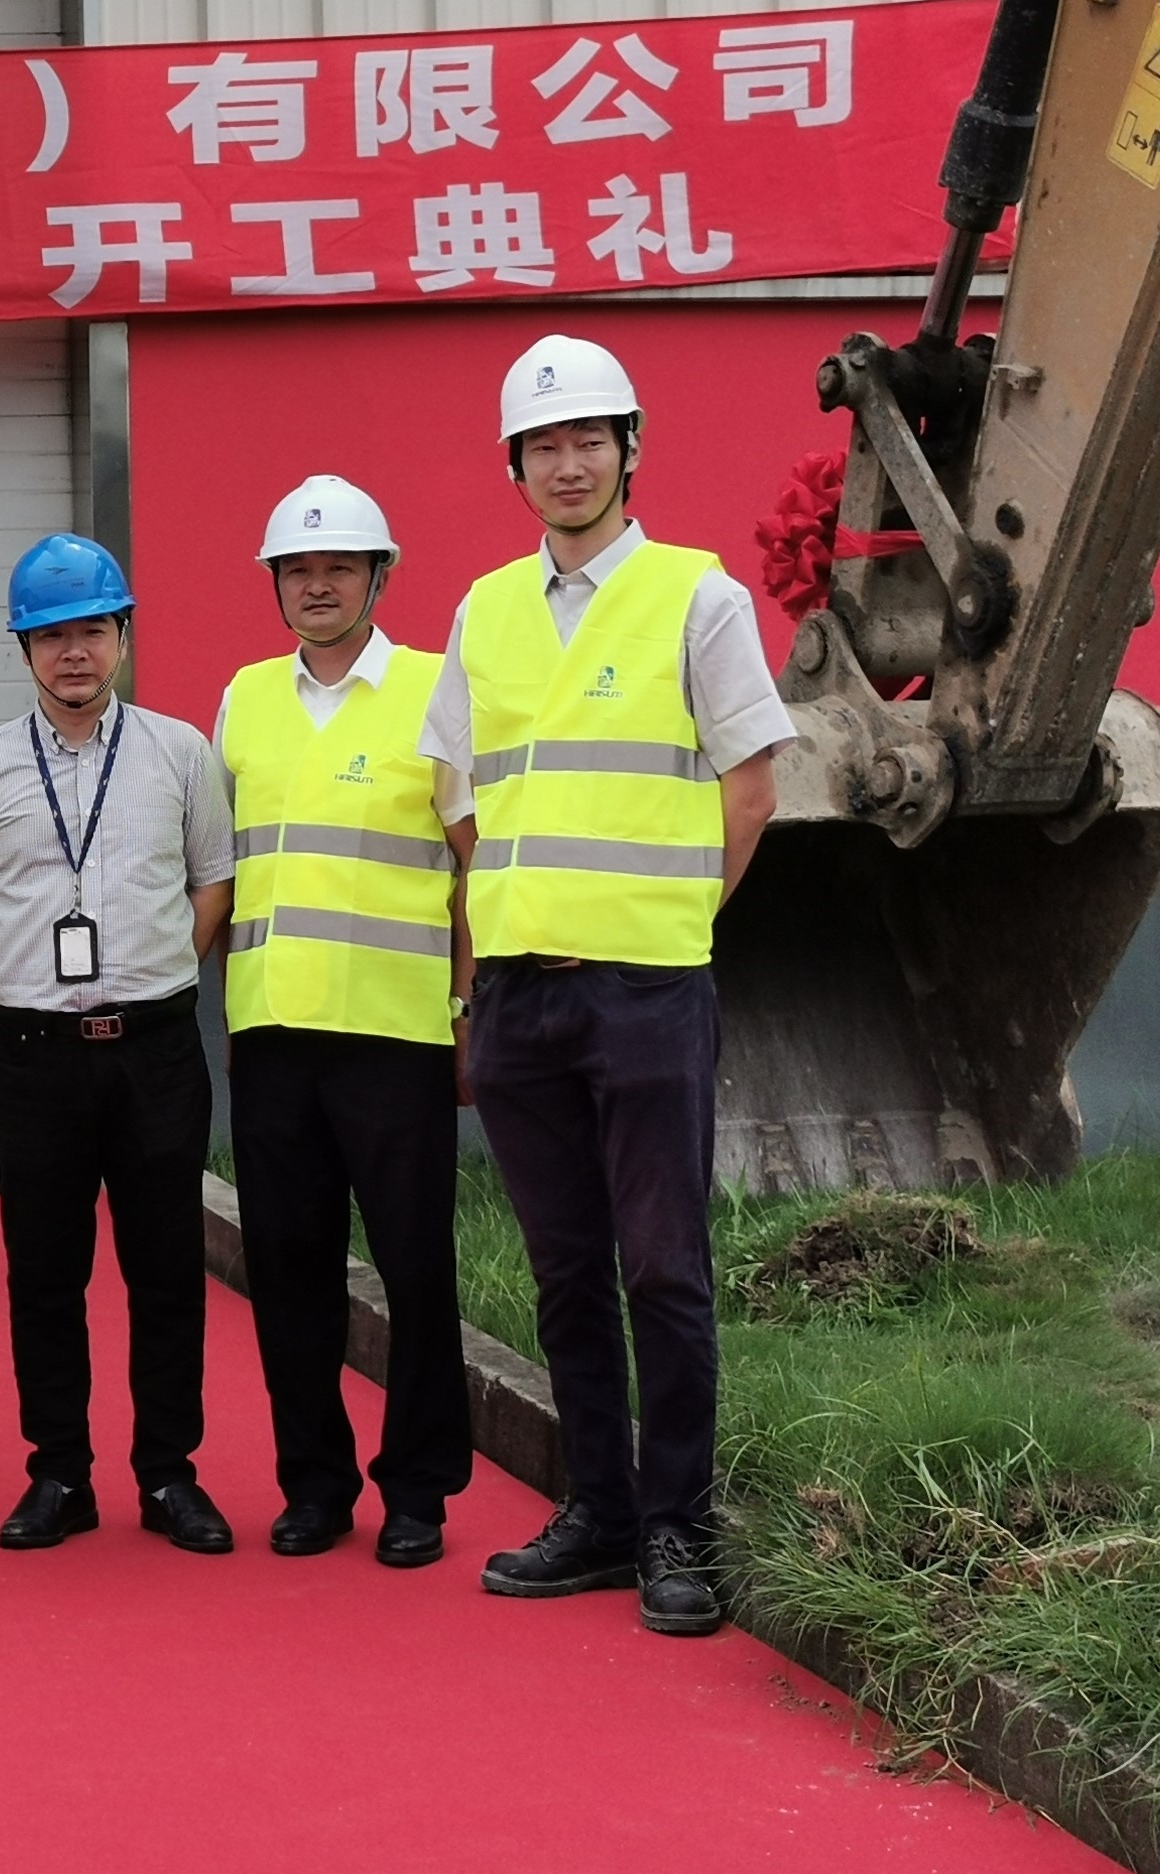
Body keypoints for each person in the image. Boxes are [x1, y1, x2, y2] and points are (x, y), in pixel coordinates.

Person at [425, 334, 792, 1638]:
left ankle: (679, 1522)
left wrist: (669, 919)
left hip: (647, 991)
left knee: (664, 1267)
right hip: (521, 997)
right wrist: (503, 939)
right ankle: (599, 1509)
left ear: (631, 451)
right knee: (566, 1268)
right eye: (543, 445)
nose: (567, 463)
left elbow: (751, 790)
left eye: (589, 439)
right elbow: (457, 793)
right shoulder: (484, 610)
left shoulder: (695, 598)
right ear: (514, 467)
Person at [0, 534, 237, 1556]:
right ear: (23, 646)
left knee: (167, 1270)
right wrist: (34, 978)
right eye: (52, 635)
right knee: (44, 1272)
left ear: (122, 637)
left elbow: (211, 881)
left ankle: (169, 1473)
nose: (74, 653)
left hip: (155, 1047)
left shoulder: (180, 753)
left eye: (93, 631)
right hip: (34, 1055)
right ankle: (59, 1472)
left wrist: (155, 974)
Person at [214, 479, 474, 1568]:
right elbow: (219, 868)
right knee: (290, 1274)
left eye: (338, 567)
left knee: (415, 1269)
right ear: (275, 584)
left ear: (379, 577)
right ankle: (313, 1484)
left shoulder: (434, 691)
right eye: (297, 570)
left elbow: (472, 865)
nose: (316, 586)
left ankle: (418, 1488)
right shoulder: (243, 699)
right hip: (271, 1033)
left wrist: (468, 1008)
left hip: (395, 1033)